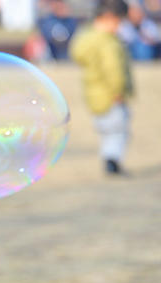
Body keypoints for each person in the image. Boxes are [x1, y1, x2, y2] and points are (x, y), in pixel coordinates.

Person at [70, 0, 132, 175]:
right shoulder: (108, 43)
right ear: (109, 18)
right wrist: (118, 90)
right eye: (120, 22)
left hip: (94, 97)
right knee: (118, 131)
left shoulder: (86, 38)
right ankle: (113, 161)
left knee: (106, 131)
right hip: (111, 97)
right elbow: (114, 69)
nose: (120, 27)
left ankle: (109, 159)